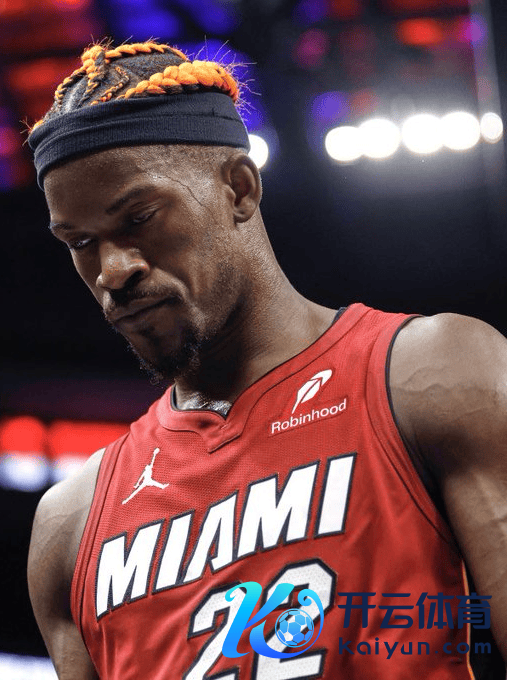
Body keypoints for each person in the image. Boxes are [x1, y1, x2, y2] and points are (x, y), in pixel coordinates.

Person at [25, 41, 507, 679]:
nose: (112, 271)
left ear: (239, 189)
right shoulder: (72, 523)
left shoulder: (431, 376)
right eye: (81, 242)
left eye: (138, 218)